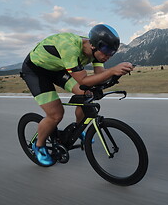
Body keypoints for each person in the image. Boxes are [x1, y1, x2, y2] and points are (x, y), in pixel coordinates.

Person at [21, 24, 133, 166]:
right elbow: (83, 80)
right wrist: (111, 71)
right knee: (56, 114)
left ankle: (76, 129)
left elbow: (99, 76)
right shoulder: (71, 47)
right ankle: (38, 146)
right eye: (106, 50)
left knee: (87, 94)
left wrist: (117, 74)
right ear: (94, 45)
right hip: (36, 71)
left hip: (57, 68)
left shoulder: (98, 53)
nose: (108, 55)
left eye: (112, 52)